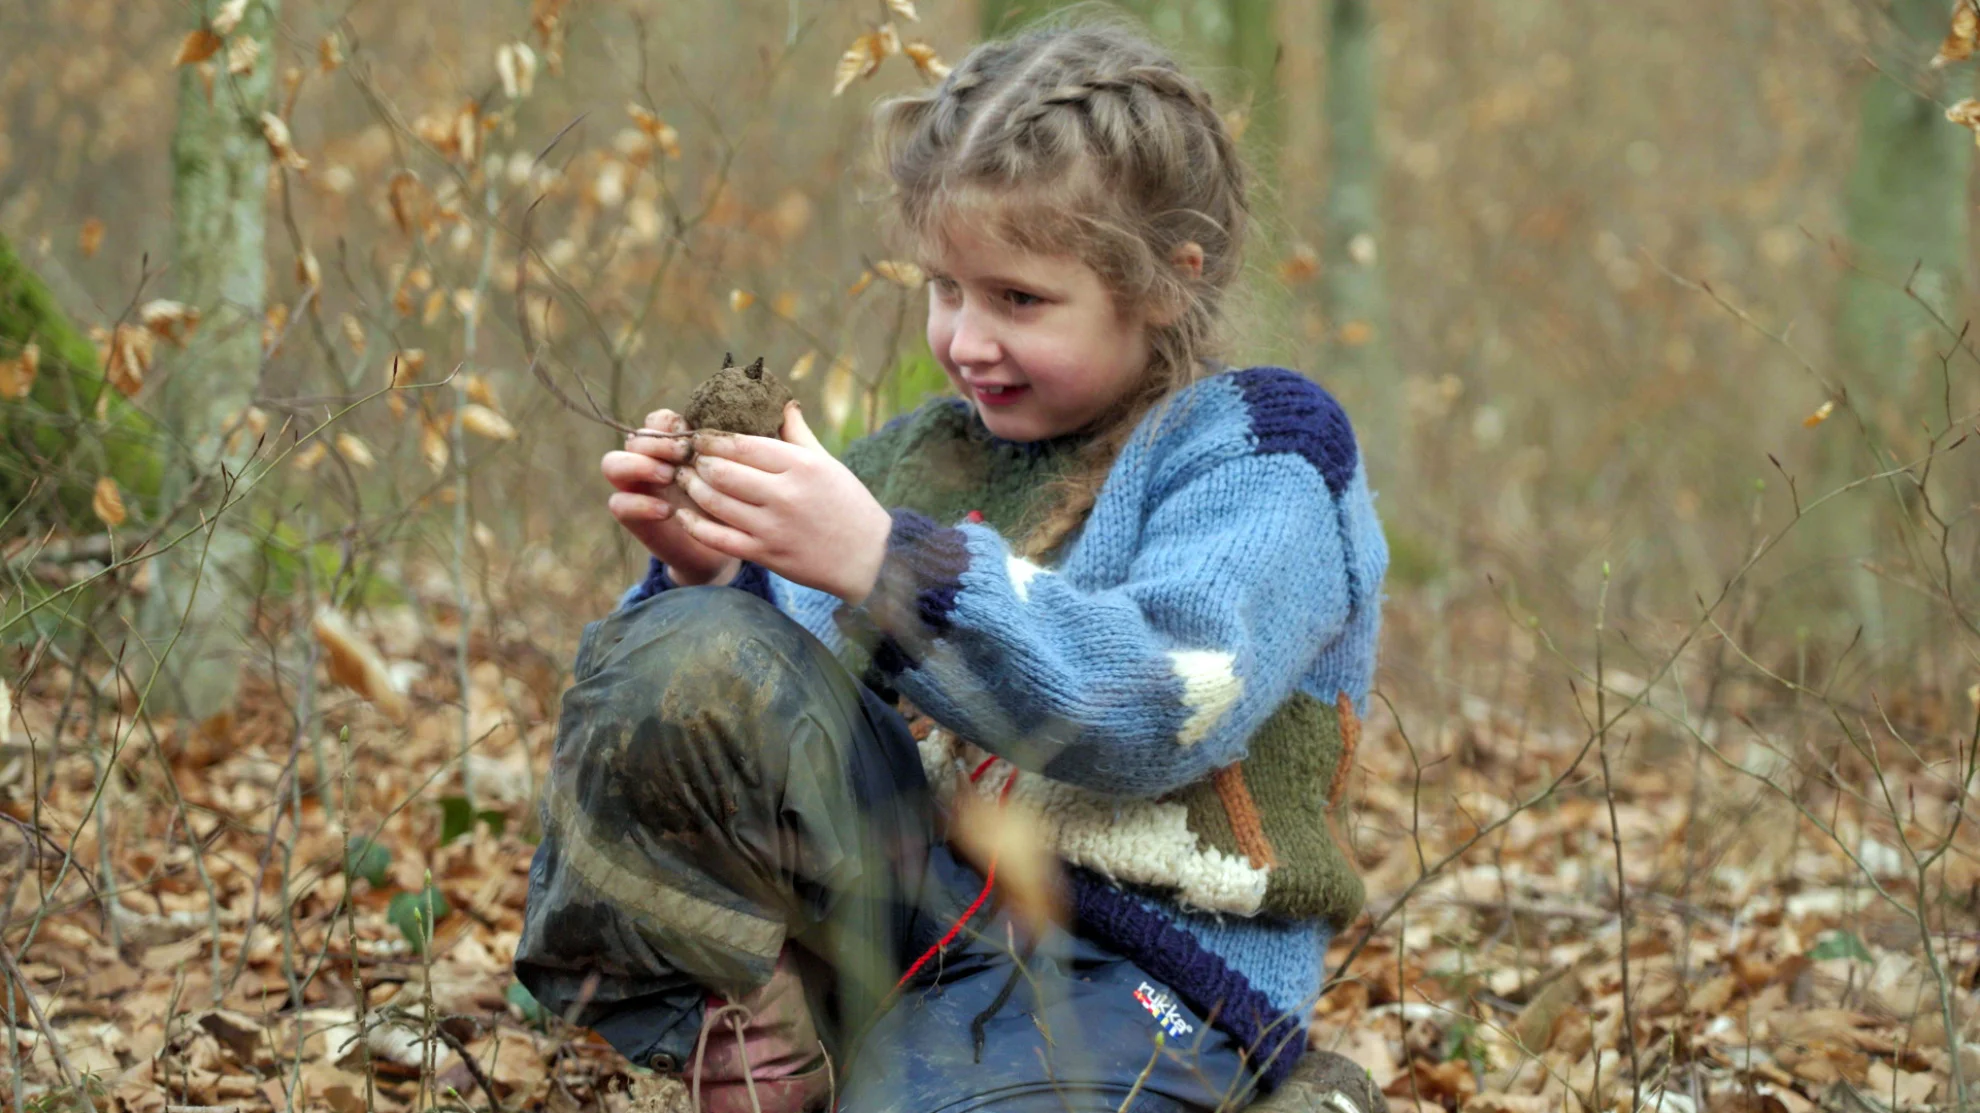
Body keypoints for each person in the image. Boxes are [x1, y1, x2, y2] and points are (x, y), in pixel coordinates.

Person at [514, 18, 1390, 1113]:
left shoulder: (1261, 448)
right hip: (912, 914)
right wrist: (707, 573)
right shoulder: (924, 452)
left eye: (1018, 299)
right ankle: (769, 1035)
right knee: (682, 655)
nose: (966, 340)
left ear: (1168, 282)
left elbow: (1159, 703)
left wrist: (882, 561)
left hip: (1145, 970)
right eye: (944, 288)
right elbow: (776, 709)